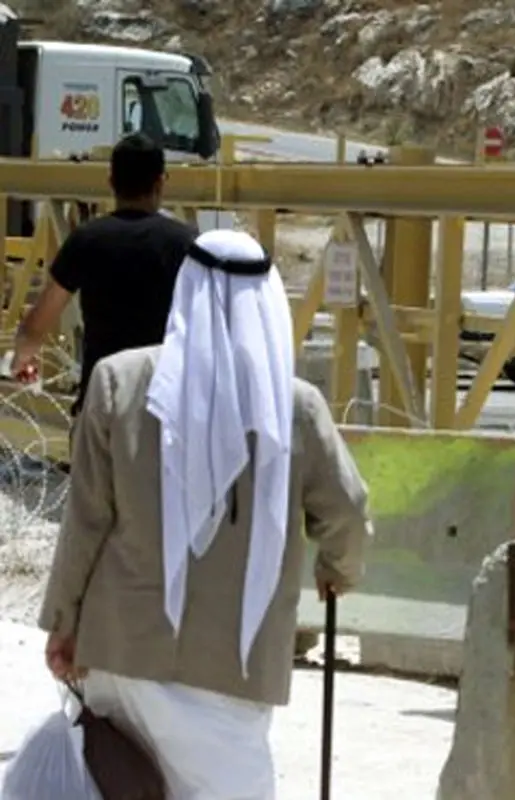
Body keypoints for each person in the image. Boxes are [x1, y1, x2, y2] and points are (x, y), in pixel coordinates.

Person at [38, 228, 372, 798]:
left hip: (124, 646)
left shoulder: (119, 381)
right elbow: (347, 510)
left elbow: (86, 521)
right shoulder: (295, 407)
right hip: (235, 660)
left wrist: (63, 623)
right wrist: (338, 569)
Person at [12, 132, 197, 415]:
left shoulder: (86, 240)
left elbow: (37, 324)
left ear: (110, 181)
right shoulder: (184, 244)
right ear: (161, 182)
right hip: (161, 405)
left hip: (101, 401)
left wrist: (22, 359)